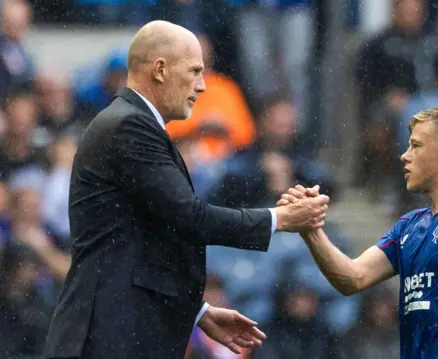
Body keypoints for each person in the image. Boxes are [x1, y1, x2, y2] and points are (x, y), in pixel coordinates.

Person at [43, 20, 330, 359]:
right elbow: (189, 217)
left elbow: (145, 244)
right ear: (160, 69)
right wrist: (279, 218)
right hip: (110, 336)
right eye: (195, 71)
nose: (203, 85)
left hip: (118, 330)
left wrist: (198, 312)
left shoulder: (132, 124)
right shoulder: (129, 126)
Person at [279, 106, 438, 358]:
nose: (404, 156)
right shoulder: (409, 226)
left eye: (416, 146)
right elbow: (353, 278)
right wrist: (311, 230)